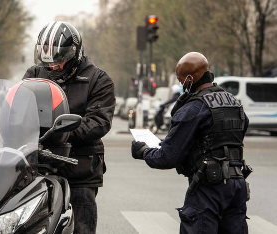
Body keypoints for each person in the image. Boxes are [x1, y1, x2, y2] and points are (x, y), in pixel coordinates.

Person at [131, 52, 252, 234]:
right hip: (237, 186)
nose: (181, 85)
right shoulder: (234, 102)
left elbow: (168, 157)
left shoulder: (193, 108)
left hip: (208, 189)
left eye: (181, 81)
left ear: (189, 79)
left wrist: (144, 152)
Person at [23, 21, 115, 234]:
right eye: (48, 62)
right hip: (37, 164)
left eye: (59, 61)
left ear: (75, 53)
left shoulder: (98, 79)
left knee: (82, 228)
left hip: (80, 168)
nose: (53, 67)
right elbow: (16, 109)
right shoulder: (34, 74)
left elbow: (99, 122)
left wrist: (59, 132)